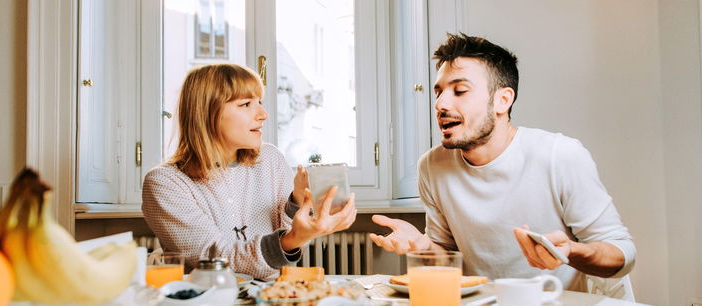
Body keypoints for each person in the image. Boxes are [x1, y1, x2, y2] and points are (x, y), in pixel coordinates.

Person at [369, 33, 635, 290]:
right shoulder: (431, 166)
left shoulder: (559, 155)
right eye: (438, 92)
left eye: (460, 90)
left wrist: (572, 251)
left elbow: (621, 253)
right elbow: (448, 255)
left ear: (502, 100)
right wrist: (423, 245)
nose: (440, 104)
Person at [142, 63, 357, 280]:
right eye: (245, 104)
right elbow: (217, 260)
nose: (263, 114)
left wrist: (297, 204)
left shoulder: (270, 158)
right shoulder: (165, 182)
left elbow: (283, 241)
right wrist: (292, 238)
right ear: (207, 113)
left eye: (259, 102)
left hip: (271, 295)